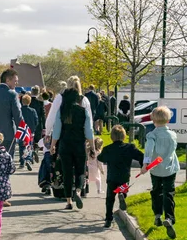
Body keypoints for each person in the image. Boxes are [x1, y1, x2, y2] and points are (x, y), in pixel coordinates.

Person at [51, 83, 95, 211]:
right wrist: (92, 147)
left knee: (67, 172)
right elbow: (89, 131)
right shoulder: (83, 111)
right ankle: (79, 191)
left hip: (65, 145)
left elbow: (57, 131)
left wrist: (53, 146)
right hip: (79, 144)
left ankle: (69, 201)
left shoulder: (62, 111)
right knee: (80, 170)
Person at [142, 106, 180, 239]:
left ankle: (157, 215)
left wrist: (145, 164)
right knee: (168, 193)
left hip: (155, 169)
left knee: (156, 191)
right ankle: (169, 218)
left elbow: (149, 150)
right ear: (168, 119)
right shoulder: (173, 135)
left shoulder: (151, 135)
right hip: (170, 168)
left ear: (153, 120)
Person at [98, 125, 144, 228]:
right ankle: (122, 194)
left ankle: (108, 219)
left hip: (112, 178)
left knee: (109, 199)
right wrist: (142, 166)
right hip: (124, 176)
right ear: (124, 136)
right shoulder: (130, 148)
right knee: (124, 188)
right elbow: (141, 156)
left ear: (111, 137)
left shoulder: (108, 149)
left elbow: (100, 158)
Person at [19, 94, 38, 171]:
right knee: (29, 146)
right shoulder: (33, 111)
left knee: (21, 146)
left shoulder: (20, 110)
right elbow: (36, 121)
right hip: (30, 131)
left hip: (21, 130)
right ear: (30, 102)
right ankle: (28, 159)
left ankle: (22, 162)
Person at [29, 86, 46, 162]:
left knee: (29, 140)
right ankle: (35, 150)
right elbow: (43, 115)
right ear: (38, 93)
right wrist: (45, 125)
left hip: (29, 123)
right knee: (37, 140)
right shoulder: (40, 103)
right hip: (38, 124)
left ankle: (30, 154)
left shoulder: (28, 101)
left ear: (31, 92)